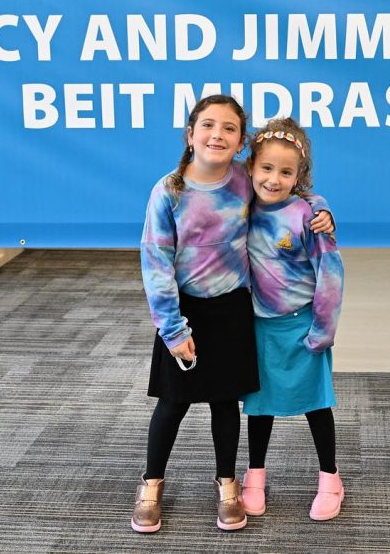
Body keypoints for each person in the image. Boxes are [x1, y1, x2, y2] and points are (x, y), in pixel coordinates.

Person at [133, 96, 334, 533]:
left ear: (241, 142)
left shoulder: (245, 179)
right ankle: (151, 483)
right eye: (207, 125)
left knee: (226, 403)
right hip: (183, 312)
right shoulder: (168, 191)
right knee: (173, 402)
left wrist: (322, 209)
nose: (217, 135)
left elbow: (287, 187)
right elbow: (155, 264)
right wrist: (171, 327)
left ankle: (227, 482)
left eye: (229, 128)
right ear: (190, 135)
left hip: (233, 309)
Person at [239, 117, 345, 522]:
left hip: (303, 326)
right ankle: (255, 476)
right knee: (259, 406)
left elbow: (331, 275)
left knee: (316, 404)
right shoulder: (241, 209)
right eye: (266, 168)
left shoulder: (309, 215)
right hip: (259, 326)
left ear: (300, 175)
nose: (274, 178)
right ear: (251, 167)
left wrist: (323, 329)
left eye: (286, 172)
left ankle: (330, 477)